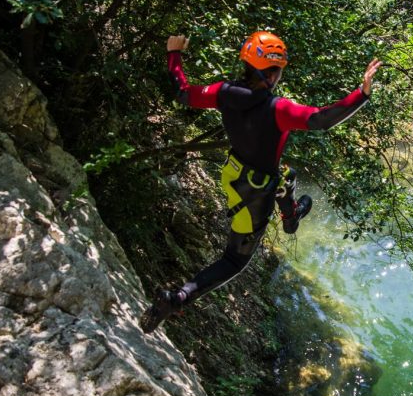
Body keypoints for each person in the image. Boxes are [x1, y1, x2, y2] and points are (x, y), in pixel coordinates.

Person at [140, 31, 383, 333]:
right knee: (234, 259)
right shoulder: (277, 109)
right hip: (256, 193)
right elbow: (321, 119)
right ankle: (177, 298)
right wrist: (362, 92)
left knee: (287, 176)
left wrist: (173, 54)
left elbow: (183, 92)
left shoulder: (223, 92)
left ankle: (291, 217)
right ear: (273, 72)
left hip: (235, 176)